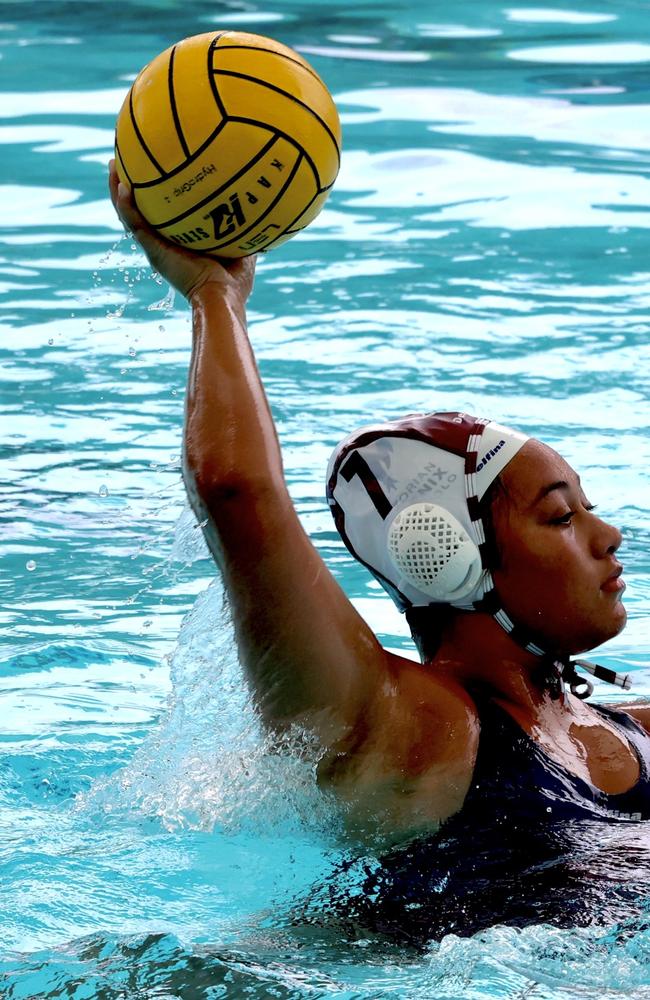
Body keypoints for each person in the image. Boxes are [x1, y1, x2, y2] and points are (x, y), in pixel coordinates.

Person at [109, 163, 650, 943]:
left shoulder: (626, 729)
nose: (608, 535)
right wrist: (214, 296)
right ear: (451, 558)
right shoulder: (412, 732)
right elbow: (237, 494)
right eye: (561, 516)